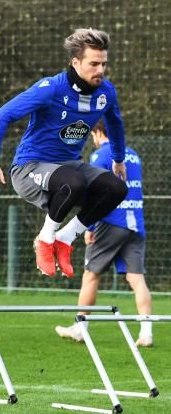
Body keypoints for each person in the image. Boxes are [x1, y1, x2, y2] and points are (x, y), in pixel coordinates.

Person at [0, 28, 128, 278]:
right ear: (75, 62)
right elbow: (3, 115)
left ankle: (64, 238)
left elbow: (115, 123)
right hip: (29, 168)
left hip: (69, 165)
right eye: (94, 64)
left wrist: (118, 159)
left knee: (116, 188)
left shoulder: (106, 93)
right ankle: (44, 238)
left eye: (104, 64)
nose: (100, 70)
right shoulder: (50, 88)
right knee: (74, 182)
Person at [56, 122, 152, 347]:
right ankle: (146, 333)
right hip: (135, 221)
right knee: (137, 279)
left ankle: (80, 328)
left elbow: (95, 194)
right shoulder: (133, 155)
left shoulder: (100, 156)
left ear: (98, 132)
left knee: (91, 275)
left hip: (111, 222)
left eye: (93, 135)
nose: (93, 140)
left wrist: (89, 227)